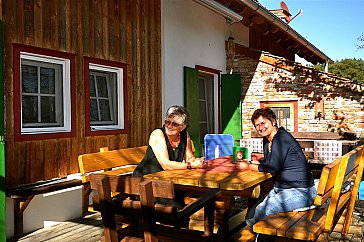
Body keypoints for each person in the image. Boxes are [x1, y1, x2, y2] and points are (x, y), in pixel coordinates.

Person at [239, 108, 316, 239]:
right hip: (281, 189)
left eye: (263, 123)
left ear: (273, 121)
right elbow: (270, 162)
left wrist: (248, 166)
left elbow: (273, 168)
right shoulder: (268, 140)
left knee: (264, 213)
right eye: (257, 125)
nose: (260, 127)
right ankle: (266, 235)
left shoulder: (281, 138)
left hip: (300, 192)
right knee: (251, 218)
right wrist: (253, 163)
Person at [133, 105, 205, 209]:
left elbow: (190, 158)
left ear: (183, 126)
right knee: (178, 208)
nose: (169, 126)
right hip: (146, 184)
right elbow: (166, 164)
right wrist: (191, 165)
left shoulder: (184, 135)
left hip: (166, 182)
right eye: (167, 122)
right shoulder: (158, 134)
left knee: (202, 197)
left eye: (174, 124)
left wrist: (197, 162)